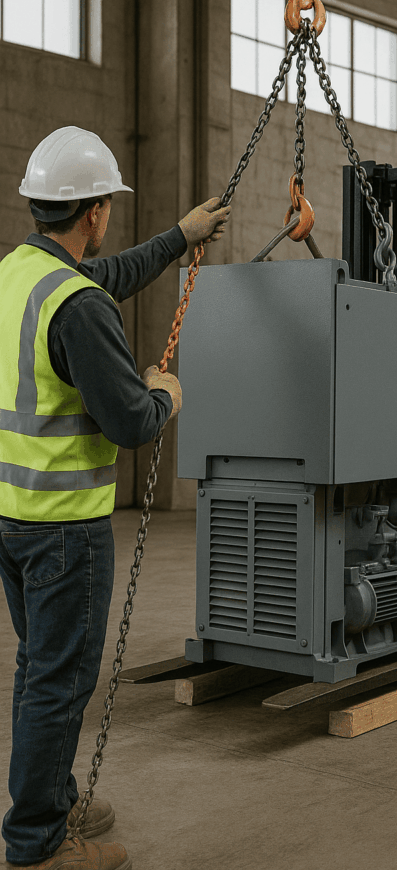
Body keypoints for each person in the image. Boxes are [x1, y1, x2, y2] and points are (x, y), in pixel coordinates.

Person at [0, 127, 230, 870]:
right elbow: (130, 421)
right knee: (61, 682)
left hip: (13, 517)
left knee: (41, 669)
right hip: (65, 530)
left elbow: (108, 276)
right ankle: (38, 844)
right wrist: (163, 395)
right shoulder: (78, 306)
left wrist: (180, 237)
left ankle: (51, 798)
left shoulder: (16, 277)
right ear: (95, 210)